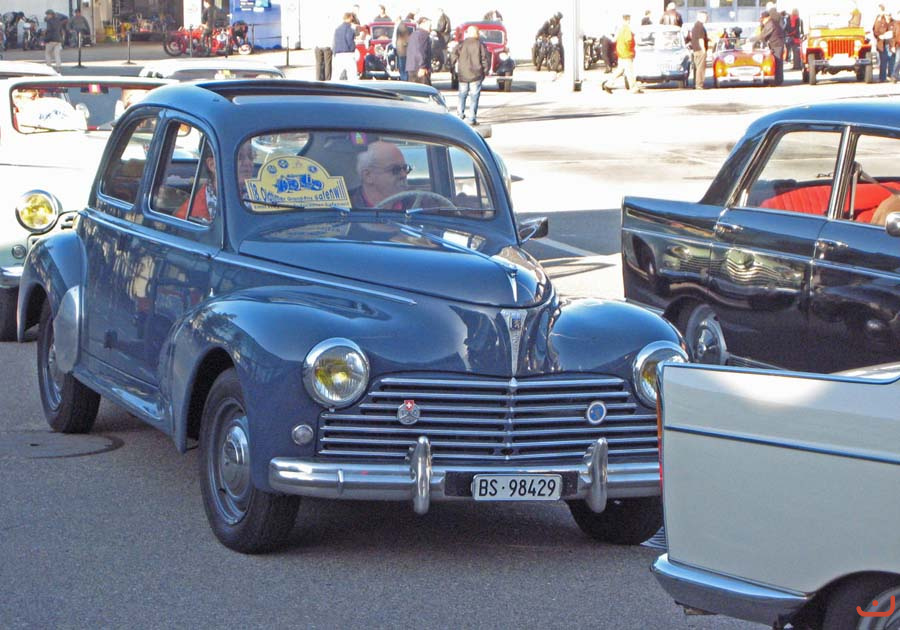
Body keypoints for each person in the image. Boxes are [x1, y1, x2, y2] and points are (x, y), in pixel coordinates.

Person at [350, 141, 411, 208]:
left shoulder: (417, 203)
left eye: (405, 168)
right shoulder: (346, 208)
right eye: (395, 169)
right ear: (368, 176)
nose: (404, 175)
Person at [451, 25, 489, 125]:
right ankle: (472, 118)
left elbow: (453, 55)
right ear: (477, 33)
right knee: (474, 97)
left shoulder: (461, 44)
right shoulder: (480, 45)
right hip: (476, 74)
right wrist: (485, 71)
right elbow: (485, 59)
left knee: (462, 95)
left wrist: (451, 66)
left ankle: (460, 115)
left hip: (463, 74)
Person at [176, 144, 218, 222]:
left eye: (249, 156)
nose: (242, 164)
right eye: (239, 158)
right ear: (212, 165)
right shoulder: (190, 214)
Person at [602, 14, 640, 94]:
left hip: (620, 53)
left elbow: (614, 40)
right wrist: (631, 49)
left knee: (620, 70)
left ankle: (608, 84)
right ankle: (634, 88)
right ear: (628, 20)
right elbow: (629, 40)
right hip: (627, 53)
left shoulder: (619, 29)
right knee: (630, 72)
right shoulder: (627, 28)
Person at [760, 9, 785, 85]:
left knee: (777, 62)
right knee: (777, 63)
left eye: (763, 19)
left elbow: (763, 36)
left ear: (767, 18)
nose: (762, 21)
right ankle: (777, 80)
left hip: (777, 45)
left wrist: (751, 40)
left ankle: (777, 81)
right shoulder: (771, 23)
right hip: (777, 44)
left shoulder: (770, 24)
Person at [406, 17, 432, 85]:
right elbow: (421, 51)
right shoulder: (424, 34)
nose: (431, 28)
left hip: (411, 67)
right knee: (425, 89)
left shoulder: (413, 34)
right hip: (420, 69)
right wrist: (422, 66)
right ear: (423, 24)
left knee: (413, 89)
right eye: (429, 25)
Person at [332, 12, 358, 81]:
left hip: (338, 54)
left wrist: (334, 53)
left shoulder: (337, 29)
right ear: (349, 18)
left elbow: (334, 42)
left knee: (336, 76)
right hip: (348, 54)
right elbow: (350, 40)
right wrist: (353, 49)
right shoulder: (350, 29)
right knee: (352, 76)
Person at [873, 5, 894, 82]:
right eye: (887, 15)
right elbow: (875, 30)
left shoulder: (893, 22)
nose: (888, 16)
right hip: (882, 44)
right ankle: (882, 78)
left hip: (891, 44)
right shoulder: (879, 20)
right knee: (883, 61)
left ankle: (891, 76)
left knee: (892, 60)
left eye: (890, 15)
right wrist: (879, 36)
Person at [690, 11, 709, 89]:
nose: (707, 19)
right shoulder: (700, 26)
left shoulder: (695, 26)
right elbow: (700, 39)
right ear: (701, 17)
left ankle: (696, 84)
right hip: (700, 50)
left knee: (697, 68)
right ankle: (699, 84)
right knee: (701, 68)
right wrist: (703, 49)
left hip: (696, 49)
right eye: (706, 17)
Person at [393, 15, 410, 81]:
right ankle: (403, 78)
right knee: (401, 66)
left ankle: (405, 80)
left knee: (403, 66)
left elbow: (406, 38)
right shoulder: (399, 26)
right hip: (400, 49)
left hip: (403, 50)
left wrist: (404, 45)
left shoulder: (402, 26)